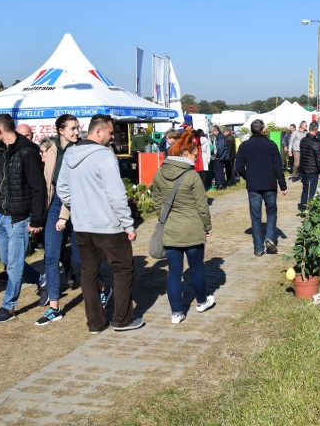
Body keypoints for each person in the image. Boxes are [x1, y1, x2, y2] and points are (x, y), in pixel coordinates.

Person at [57, 114, 144, 334]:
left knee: (89, 273)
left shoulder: (69, 155)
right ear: (98, 131)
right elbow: (116, 196)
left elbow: (62, 190)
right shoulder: (105, 156)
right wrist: (128, 224)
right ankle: (121, 319)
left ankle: (95, 323)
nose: (113, 136)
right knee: (123, 269)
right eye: (111, 132)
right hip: (108, 226)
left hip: (83, 226)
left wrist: (78, 206)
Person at [37, 114, 107, 326]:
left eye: (78, 128)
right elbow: (45, 180)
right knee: (51, 255)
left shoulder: (83, 149)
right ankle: (54, 308)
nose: (77, 132)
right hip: (54, 203)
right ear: (61, 130)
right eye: (72, 129)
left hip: (78, 204)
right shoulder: (50, 149)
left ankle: (102, 288)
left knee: (80, 259)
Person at [0, 113, 47, 324]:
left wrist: (37, 219)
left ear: (0, 130)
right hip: (0, 215)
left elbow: (38, 187)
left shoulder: (27, 152)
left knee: (13, 264)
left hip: (19, 218)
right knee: (9, 261)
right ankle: (41, 279)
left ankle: (8, 306)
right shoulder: (0, 147)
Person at [151, 130, 215, 324]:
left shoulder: (159, 173)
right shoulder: (192, 176)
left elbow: (156, 200)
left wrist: (162, 217)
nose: (196, 160)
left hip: (171, 229)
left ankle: (176, 312)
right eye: (195, 156)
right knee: (196, 269)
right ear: (185, 154)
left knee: (174, 272)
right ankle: (202, 301)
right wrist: (207, 226)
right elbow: (202, 206)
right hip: (193, 228)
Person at [235, 119, 288, 256]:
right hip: (269, 184)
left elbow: (238, 167)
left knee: (255, 216)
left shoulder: (245, 146)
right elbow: (278, 166)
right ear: (262, 129)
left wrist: (248, 176)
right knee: (271, 212)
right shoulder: (271, 145)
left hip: (253, 185)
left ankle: (258, 248)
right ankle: (269, 237)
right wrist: (283, 185)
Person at [298, 121, 320, 210]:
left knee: (305, 189)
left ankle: (303, 207)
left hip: (303, 169)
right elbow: (319, 159)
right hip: (313, 170)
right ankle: (311, 209)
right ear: (316, 130)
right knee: (312, 191)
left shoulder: (303, 141)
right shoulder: (316, 142)